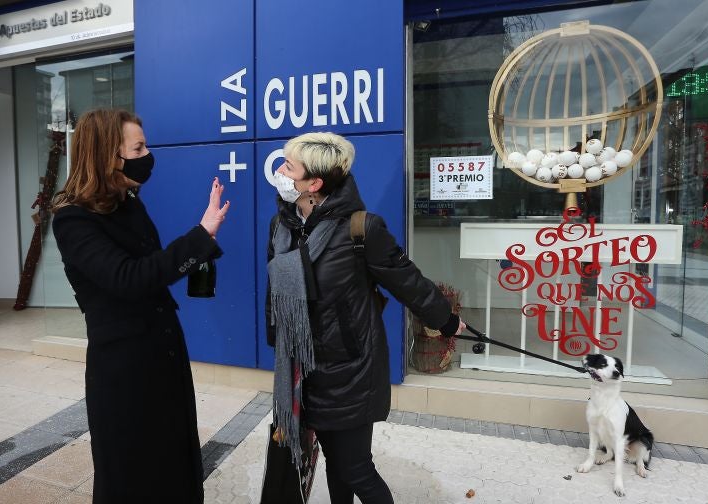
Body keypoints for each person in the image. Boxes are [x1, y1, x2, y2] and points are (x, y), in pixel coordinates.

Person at [266, 132, 465, 503]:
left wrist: (447, 320)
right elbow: (276, 294)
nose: (279, 171)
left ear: (314, 183)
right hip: (301, 371)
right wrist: (281, 341)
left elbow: (409, 281)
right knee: (334, 462)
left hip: (350, 370)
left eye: (288, 166)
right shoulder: (283, 226)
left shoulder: (361, 228)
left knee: (356, 467)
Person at [51, 109, 229, 502]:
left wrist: (199, 249)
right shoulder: (72, 221)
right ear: (108, 155)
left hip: (163, 356)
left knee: (175, 466)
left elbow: (152, 265)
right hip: (125, 372)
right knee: (134, 476)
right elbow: (128, 279)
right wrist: (200, 236)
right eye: (139, 147)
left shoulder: (129, 203)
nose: (148, 154)